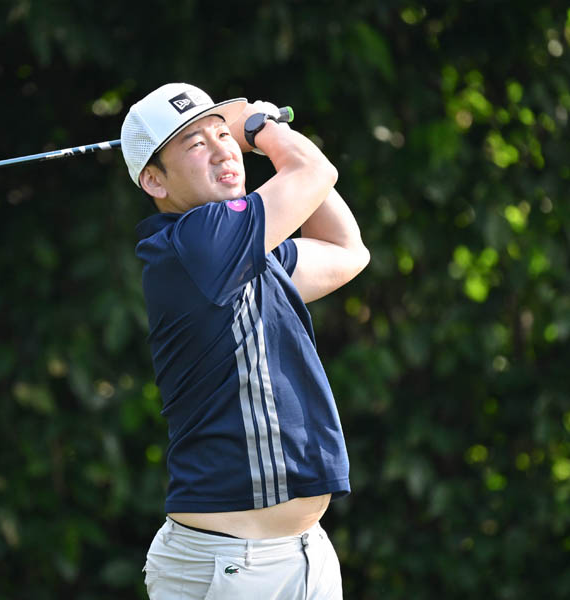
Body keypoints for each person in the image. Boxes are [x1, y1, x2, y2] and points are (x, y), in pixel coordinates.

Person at [121, 82, 370, 599]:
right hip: (234, 566)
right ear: (154, 180)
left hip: (302, 555)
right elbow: (314, 172)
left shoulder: (244, 255)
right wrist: (262, 130)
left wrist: (265, 140)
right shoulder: (197, 244)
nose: (222, 151)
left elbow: (347, 250)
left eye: (223, 134)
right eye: (196, 144)